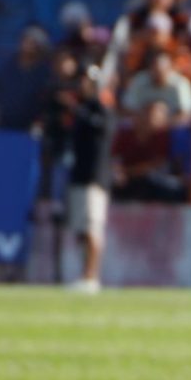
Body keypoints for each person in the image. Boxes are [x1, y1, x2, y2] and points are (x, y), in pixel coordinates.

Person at [66, 64, 115, 294]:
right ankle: (85, 274)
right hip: (79, 175)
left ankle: (91, 276)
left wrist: (77, 110)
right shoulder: (83, 110)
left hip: (94, 178)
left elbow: (102, 129)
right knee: (81, 231)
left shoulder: (101, 109)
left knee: (92, 228)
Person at [0, 25, 53, 132]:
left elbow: (48, 99)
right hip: (4, 124)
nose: (28, 45)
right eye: (26, 40)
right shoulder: (8, 65)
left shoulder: (44, 72)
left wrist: (40, 122)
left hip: (29, 128)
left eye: (33, 42)